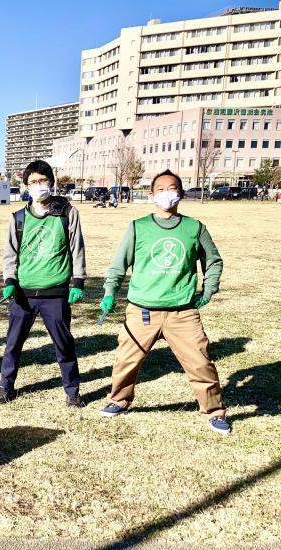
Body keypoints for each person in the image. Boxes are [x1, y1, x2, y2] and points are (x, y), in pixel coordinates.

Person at [98, 169, 230, 435]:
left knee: (200, 363)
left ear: (181, 193)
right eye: (160, 189)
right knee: (126, 360)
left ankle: (214, 411)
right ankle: (118, 400)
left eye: (172, 189)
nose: (166, 194)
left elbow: (213, 261)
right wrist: (109, 292)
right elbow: (118, 264)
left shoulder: (194, 228)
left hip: (182, 313)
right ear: (151, 195)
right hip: (142, 311)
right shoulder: (138, 227)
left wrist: (208, 290)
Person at [0, 160, 87, 407]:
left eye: (42, 180)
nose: (38, 185)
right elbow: (10, 254)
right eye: (33, 182)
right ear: (26, 186)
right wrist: (9, 280)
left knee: (64, 345)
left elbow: (77, 248)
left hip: (55, 293)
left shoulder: (67, 213)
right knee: (13, 343)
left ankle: (72, 391)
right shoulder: (18, 218)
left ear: (52, 182)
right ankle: (5, 386)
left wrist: (78, 282)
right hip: (23, 294)